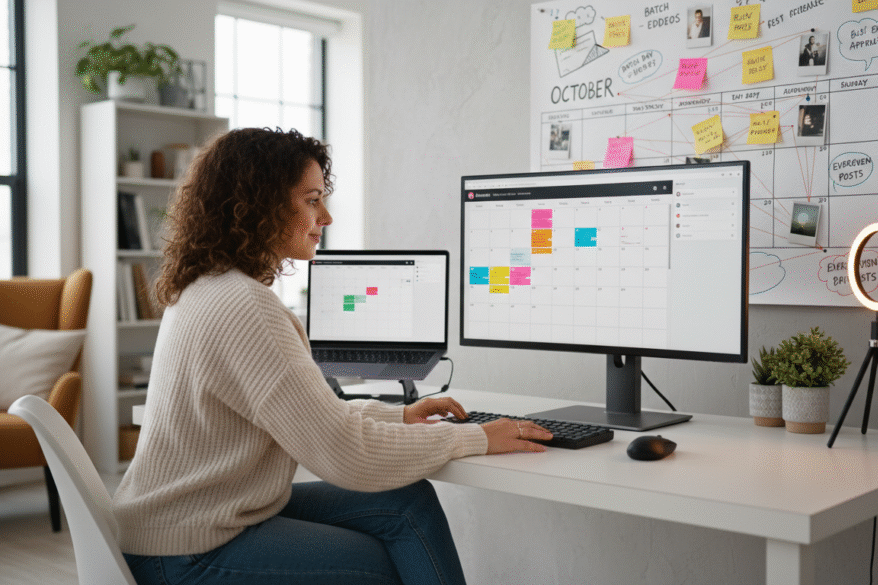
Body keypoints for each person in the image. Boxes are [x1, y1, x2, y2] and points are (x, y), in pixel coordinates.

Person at [112, 127, 552, 585]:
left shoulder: (213, 286)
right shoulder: (246, 307)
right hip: (185, 550)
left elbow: (317, 417)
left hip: (195, 518)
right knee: (372, 564)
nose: (326, 216)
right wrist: (478, 437)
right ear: (262, 205)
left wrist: (399, 416)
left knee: (408, 501)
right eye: (311, 200)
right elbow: (346, 455)